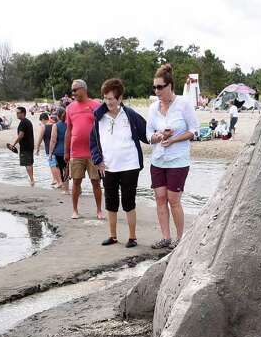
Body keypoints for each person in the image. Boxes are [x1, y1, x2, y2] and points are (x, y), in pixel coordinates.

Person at [90, 78, 148, 249]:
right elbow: (93, 142)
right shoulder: (98, 118)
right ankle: (113, 236)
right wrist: (98, 161)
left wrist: (159, 136)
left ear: (120, 98)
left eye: (112, 99)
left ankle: (132, 237)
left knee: (129, 202)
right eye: (106, 98)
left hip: (130, 165)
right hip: (108, 166)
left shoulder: (130, 115)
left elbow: (146, 133)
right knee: (111, 202)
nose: (108, 102)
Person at [146, 63, 198, 250]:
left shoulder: (183, 104)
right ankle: (165, 238)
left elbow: (194, 130)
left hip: (178, 160)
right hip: (158, 160)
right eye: (155, 87)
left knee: (173, 200)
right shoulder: (153, 108)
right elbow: (148, 134)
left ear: (170, 86)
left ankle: (179, 239)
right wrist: (158, 136)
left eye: (160, 87)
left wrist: (174, 139)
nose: (157, 91)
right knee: (160, 198)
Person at [64, 79, 103, 219]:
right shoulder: (70, 108)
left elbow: (102, 129)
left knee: (96, 182)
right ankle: (75, 210)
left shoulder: (96, 105)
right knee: (76, 181)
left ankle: (99, 210)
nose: (73, 93)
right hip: (76, 151)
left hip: (93, 152)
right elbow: (68, 131)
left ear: (84, 89)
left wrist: (102, 151)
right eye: (72, 90)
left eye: (75, 90)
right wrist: (66, 151)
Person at [7, 106, 35, 186]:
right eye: (16, 113)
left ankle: (32, 180)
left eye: (18, 113)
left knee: (27, 163)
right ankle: (31, 179)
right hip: (29, 145)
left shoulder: (23, 122)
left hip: (26, 146)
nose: (17, 114)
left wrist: (14, 144)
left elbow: (21, 135)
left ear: (23, 113)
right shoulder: (27, 121)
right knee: (29, 163)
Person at [37, 112, 62, 188]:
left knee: (53, 165)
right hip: (58, 148)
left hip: (49, 149)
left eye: (41, 121)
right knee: (58, 166)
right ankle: (57, 180)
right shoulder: (56, 125)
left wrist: (37, 147)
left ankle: (59, 182)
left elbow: (40, 138)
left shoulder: (44, 127)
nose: (41, 122)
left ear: (43, 119)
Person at [52, 109, 68, 187]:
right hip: (69, 150)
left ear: (57, 116)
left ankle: (62, 185)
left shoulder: (56, 125)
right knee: (68, 169)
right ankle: (76, 187)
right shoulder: (70, 124)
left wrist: (50, 152)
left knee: (60, 168)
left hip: (59, 151)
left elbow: (53, 140)